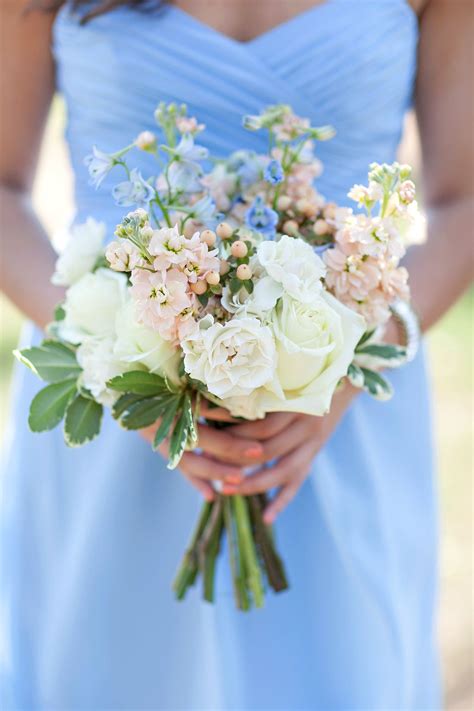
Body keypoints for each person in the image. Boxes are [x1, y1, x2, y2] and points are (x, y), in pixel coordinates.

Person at [0, 0, 472, 708]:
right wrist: (121, 364)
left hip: (334, 421)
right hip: (111, 423)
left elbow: (462, 199)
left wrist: (343, 368)